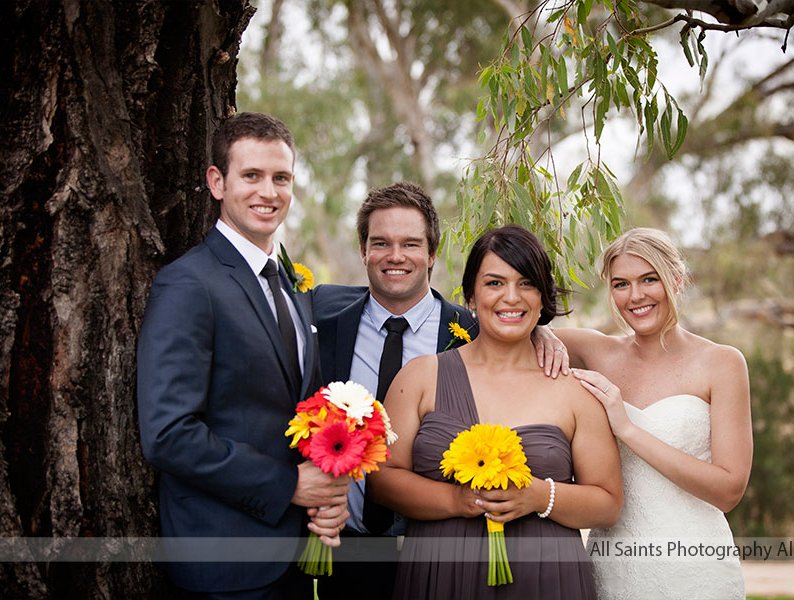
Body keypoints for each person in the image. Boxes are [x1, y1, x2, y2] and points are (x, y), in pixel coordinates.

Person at [310, 184, 570, 599]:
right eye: (381, 243)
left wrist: (542, 333)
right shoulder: (321, 312)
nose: (396, 256)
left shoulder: (473, 330)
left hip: (441, 553)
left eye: (411, 243)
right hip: (344, 549)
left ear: (432, 254)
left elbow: (513, 320)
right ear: (363, 251)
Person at [137, 112, 349, 598]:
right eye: (251, 176)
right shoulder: (189, 284)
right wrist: (288, 486)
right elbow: (168, 435)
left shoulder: (292, 285)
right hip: (224, 562)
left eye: (281, 178)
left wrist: (325, 495)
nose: (268, 192)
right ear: (217, 182)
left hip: (297, 554)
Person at [368, 224, 623, 599]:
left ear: (542, 298)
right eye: (494, 283)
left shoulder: (574, 392)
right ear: (470, 295)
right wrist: (455, 500)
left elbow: (608, 504)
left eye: (526, 283)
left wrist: (540, 496)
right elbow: (381, 479)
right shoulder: (420, 377)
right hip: (441, 574)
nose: (511, 297)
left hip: (546, 579)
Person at [557, 227, 751, 599]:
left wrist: (627, 429)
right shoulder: (596, 351)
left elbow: (728, 490)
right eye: (621, 284)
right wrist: (545, 336)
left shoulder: (722, 363)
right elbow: (518, 332)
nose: (636, 296)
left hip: (695, 570)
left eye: (650, 279)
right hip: (611, 568)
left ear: (676, 280)